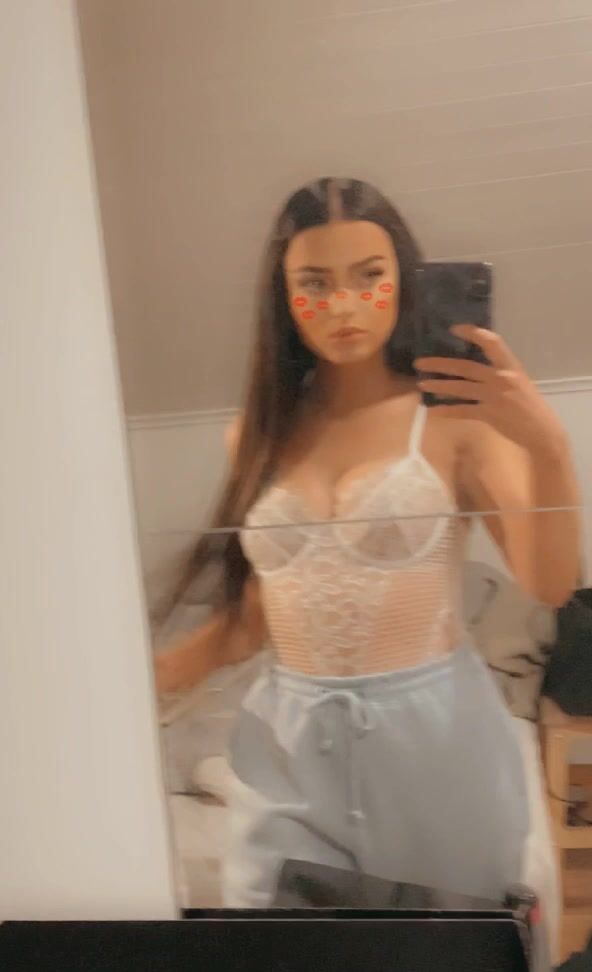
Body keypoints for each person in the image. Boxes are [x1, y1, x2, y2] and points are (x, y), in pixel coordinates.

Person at [155, 177, 581, 908]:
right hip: (288, 738)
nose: (345, 305)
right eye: (315, 283)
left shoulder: (455, 418)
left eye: (369, 276)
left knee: (450, 959)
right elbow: (256, 617)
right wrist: (137, 686)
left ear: (402, 280)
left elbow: (550, 583)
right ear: (284, 296)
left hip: (434, 736)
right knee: (278, 951)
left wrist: (548, 445)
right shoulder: (255, 435)